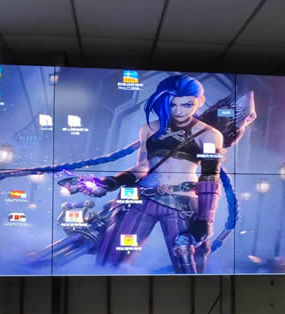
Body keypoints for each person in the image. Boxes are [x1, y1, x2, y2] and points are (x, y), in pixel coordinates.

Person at [62, 75, 224, 274]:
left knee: (190, 267)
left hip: (182, 205)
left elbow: (210, 177)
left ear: (200, 101)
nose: (179, 111)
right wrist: (111, 182)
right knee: (110, 262)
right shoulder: (149, 128)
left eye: (187, 104)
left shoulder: (209, 134)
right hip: (142, 199)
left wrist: (205, 221)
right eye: (172, 104)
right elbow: (142, 167)